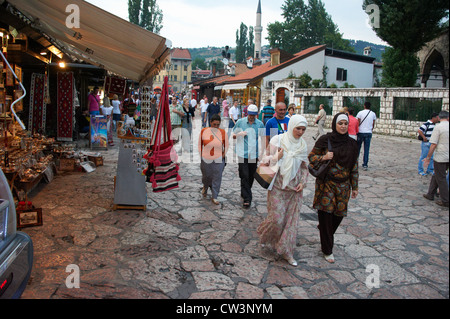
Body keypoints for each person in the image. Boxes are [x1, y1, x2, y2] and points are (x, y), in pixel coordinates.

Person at [257, 115, 310, 266]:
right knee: (277, 220)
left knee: (290, 223)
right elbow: (264, 161)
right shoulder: (278, 140)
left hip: (294, 190)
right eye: (298, 128)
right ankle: (265, 235)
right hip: (277, 187)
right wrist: (276, 156)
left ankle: (287, 251)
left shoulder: (302, 145)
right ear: (291, 126)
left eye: (303, 129)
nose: (300, 132)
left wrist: (303, 183)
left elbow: (304, 167)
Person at [308, 113, 359, 263]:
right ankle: (327, 249)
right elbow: (311, 157)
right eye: (340, 123)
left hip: (344, 186)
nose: (343, 126)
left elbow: (354, 167)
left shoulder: (352, 144)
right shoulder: (325, 139)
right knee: (326, 215)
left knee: (338, 215)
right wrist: (323, 157)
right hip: (327, 184)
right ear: (334, 124)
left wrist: (354, 186)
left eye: (345, 123)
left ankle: (325, 231)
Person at [233, 104, 265, 208]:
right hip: (242, 154)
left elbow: (263, 138)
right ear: (247, 114)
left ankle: (245, 191)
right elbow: (233, 135)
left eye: (254, 115)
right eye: (250, 114)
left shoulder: (259, 124)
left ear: (256, 114)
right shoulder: (240, 122)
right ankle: (247, 198)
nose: (252, 117)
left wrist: (262, 153)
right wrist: (239, 134)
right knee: (244, 175)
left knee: (251, 176)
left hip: (253, 154)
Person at [199, 114, 229, 205]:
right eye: (214, 124)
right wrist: (201, 155)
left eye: (218, 125)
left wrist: (223, 155)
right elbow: (200, 144)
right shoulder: (204, 131)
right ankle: (205, 186)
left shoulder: (223, 132)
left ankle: (215, 196)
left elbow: (226, 145)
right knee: (206, 176)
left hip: (218, 158)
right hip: (206, 158)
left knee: (217, 177)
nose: (216, 126)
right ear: (210, 123)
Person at [423, 110, 449, 208]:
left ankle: (445, 200)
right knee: (436, 174)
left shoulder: (438, 127)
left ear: (438, 118)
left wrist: (428, 158)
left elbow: (433, 144)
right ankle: (430, 193)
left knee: (441, 178)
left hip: (441, 157)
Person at [356, 102, 377, 171]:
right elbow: (373, 124)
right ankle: (365, 164)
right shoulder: (373, 114)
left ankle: (355, 162)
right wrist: (370, 129)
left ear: (364, 106)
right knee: (366, 149)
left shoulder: (360, 113)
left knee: (358, 148)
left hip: (361, 132)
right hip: (368, 132)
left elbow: (358, 122)